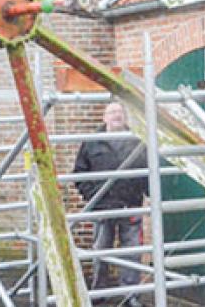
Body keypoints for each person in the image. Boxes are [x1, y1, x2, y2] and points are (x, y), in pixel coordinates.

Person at [73, 102, 148, 307]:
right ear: (104, 117)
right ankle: (99, 293)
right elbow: (79, 174)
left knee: (132, 252)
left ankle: (130, 295)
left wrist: (147, 194)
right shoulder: (92, 143)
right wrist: (93, 196)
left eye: (120, 112)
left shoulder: (137, 140)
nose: (117, 115)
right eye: (112, 112)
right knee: (101, 251)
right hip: (102, 207)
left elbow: (148, 171)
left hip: (130, 205)